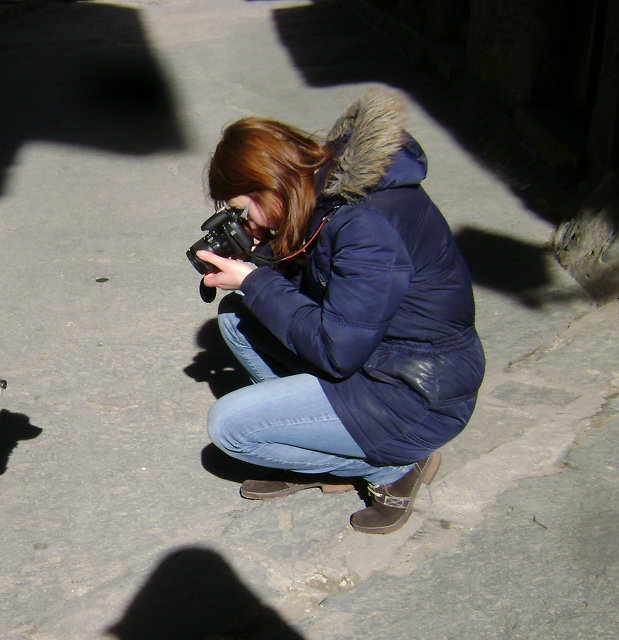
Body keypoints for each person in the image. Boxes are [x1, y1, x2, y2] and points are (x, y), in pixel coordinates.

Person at [195, 88, 484, 534]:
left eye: (244, 209)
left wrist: (255, 278)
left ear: (269, 182)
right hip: (380, 360)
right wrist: (264, 260)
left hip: (416, 392)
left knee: (231, 428)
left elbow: (336, 351)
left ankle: (393, 469)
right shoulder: (325, 195)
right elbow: (323, 293)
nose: (247, 223)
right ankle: (313, 437)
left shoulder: (366, 224)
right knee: (239, 315)